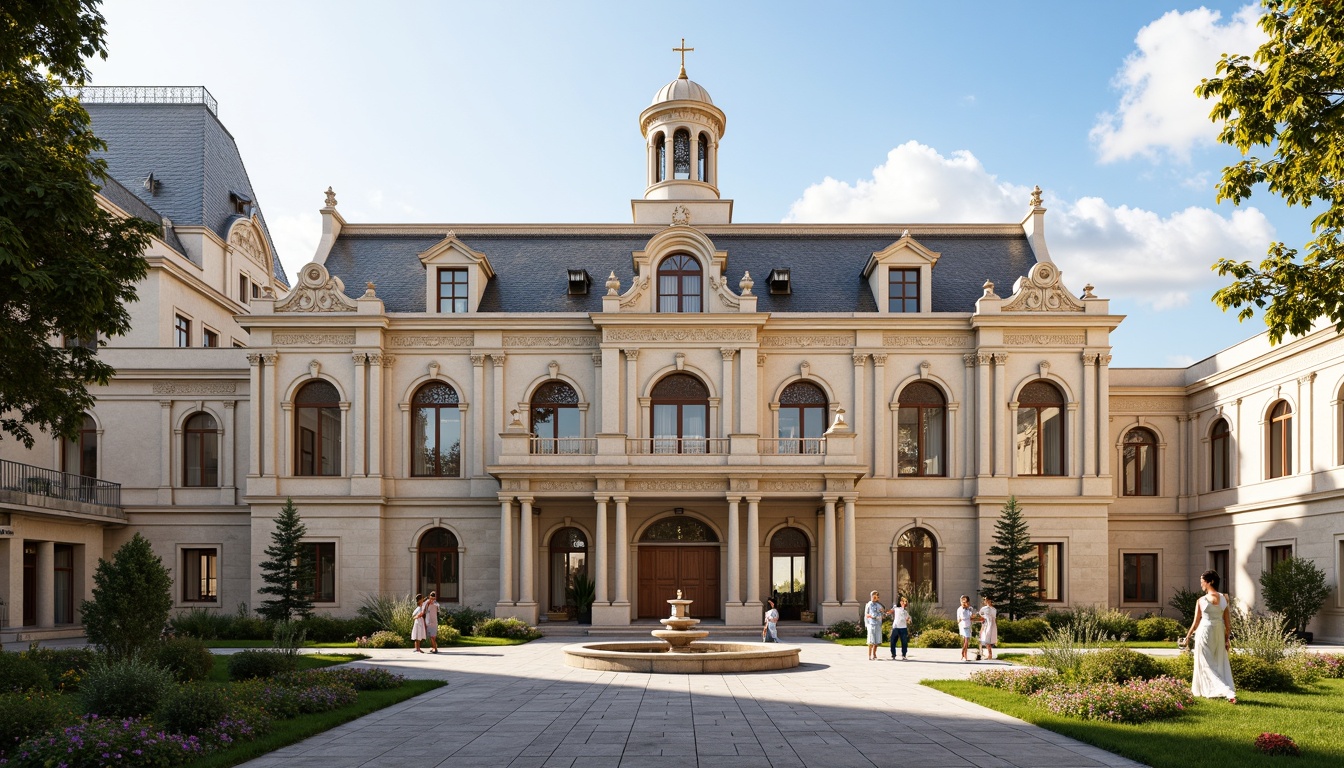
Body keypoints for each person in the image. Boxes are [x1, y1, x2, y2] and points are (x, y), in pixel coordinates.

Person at [1186, 569, 1236, 703]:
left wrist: (1188, 636)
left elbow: (1196, 623)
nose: (1201, 584)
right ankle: (1214, 690)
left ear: (1210, 582)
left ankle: (1226, 691)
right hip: (1219, 632)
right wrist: (1227, 640)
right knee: (1217, 661)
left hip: (1205, 632)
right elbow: (1227, 622)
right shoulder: (1225, 598)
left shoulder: (1201, 600)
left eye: (1202, 582)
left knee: (1206, 663)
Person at [863, 590, 885, 660]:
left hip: (878, 624)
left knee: (876, 640)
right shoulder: (868, 604)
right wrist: (868, 621)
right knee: (871, 640)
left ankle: (874, 654)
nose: (874, 598)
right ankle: (869, 655)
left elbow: (883, 614)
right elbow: (866, 614)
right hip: (871, 624)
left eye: (876, 596)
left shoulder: (879, 605)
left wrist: (881, 613)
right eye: (873, 596)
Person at [888, 595, 911, 660]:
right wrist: (887, 612)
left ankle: (904, 655)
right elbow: (890, 611)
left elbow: (908, 619)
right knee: (893, 641)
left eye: (905, 602)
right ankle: (893, 654)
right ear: (900, 602)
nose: (904, 603)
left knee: (904, 642)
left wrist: (909, 620)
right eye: (903, 602)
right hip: (896, 627)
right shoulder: (896, 609)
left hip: (903, 628)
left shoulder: (906, 612)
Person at [977, 596, 998, 661]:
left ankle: (989, 654)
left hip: (991, 625)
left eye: (988, 600)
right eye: (986, 600)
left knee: (987, 640)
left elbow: (993, 619)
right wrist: (982, 627)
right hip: (986, 624)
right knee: (984, 639)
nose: (986, 601)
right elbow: (981, 618)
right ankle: (986, 654)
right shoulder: (984, 609)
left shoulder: (993, 609)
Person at [956, 595, 975, 661]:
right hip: (963, 626)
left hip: (968, 625)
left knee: (966, 641)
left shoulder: (970, 608)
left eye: (965, 601)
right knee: (966, 640)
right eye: (962, 601)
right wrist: (960, 622)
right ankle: (962, 653)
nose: (964, 602)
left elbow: (972, 617)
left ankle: (965, 655)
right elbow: (958, 619)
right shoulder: (960, 609)